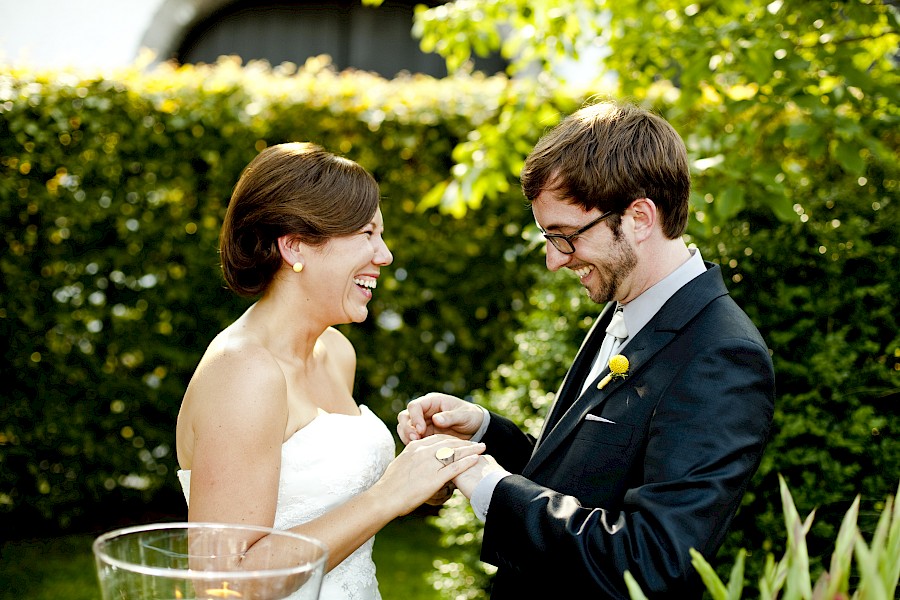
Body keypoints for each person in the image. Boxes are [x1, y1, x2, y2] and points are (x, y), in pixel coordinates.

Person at [397, 101, 776, 598]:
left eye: (565, 236)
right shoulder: (628, 304)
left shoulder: (722, 356)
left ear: (639, 217)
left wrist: (491, 486)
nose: (554, 260)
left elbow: (653, 562)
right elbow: (585, 478)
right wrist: (486, 433)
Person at [175, 142, 484, 600]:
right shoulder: (243, 372)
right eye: (366, 233)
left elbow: (332, 505)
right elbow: (226, 582)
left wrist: (423, 472)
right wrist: (387, 496)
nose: (385, 255)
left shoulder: (337, 351)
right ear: (295, 245)